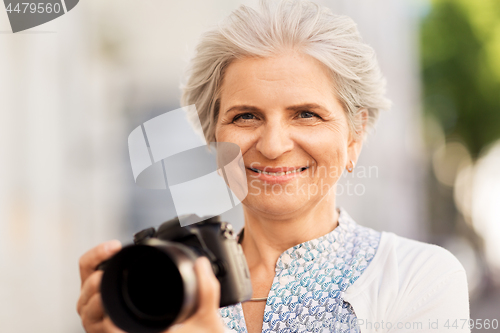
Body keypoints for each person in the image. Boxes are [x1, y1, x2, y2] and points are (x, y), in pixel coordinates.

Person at [77, 0, 470, 332]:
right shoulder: (164, 284)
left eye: (306, 114)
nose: (273, 145)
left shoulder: (420, 277)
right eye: (245, 116)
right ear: (214, 138)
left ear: (355, 135)